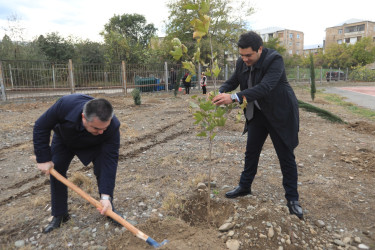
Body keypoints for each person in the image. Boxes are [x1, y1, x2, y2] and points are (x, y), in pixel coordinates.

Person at [212, 31, 303, 219]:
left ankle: (292, 199)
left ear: (259, 49)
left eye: (248, 55)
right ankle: (245, 187)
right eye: (242, 55)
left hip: (280, 113)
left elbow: (265, 87)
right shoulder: (241, 63)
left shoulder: (274, 60)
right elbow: (232, 81)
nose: (244, 59)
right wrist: (220, 92)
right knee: (251, 151)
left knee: (286, 156)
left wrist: (234, 97)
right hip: (258, 114)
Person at [33, 93, 122, 233]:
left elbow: (109, 161)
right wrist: (43, 159)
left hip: (96, 145)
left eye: (104, 128)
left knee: (101, 169)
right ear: (83, 117)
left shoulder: (112, 127)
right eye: (96, 128)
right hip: (65, 139)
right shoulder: (65, 105)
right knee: (57, 170)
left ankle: (108, 206)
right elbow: (41, 126)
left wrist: (106, 196)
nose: (101, 131)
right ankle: (60, 214)